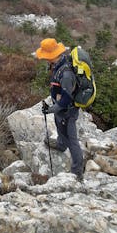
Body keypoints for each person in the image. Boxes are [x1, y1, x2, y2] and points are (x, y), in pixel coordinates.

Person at [35, 38, 84, 180]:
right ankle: (61, 144)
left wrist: (51, 109)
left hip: (68, 110)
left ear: (51, 55)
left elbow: (66, 99)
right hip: (61, 109)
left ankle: (77, 172)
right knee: (59, 125)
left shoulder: (66, 73)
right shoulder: (58, 63)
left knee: (72, 140)